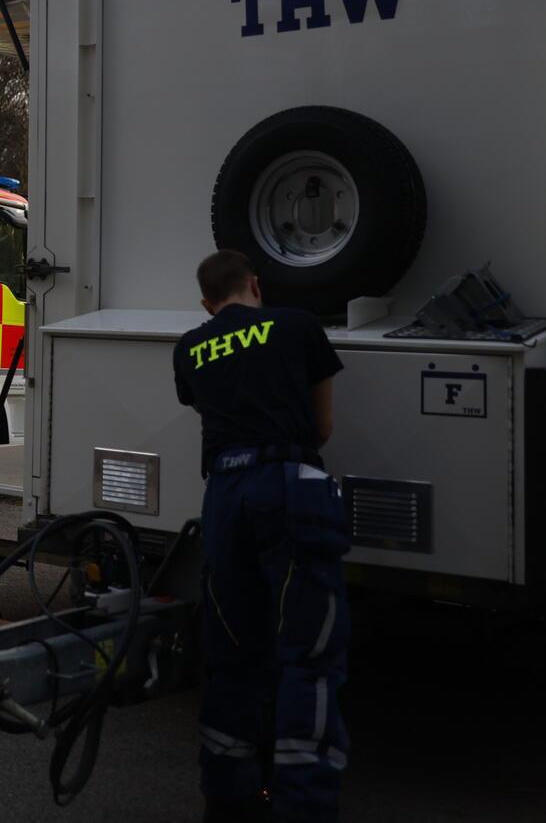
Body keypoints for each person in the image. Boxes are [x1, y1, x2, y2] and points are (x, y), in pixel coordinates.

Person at [172, 249, 349, 822]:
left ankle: (227, 798)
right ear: (255, 283)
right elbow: (321, 428)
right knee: (308, 654)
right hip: (288, 486)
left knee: (232, 654)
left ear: (206, 302)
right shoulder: (297, 325)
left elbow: (209, 410)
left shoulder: (189, 347)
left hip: (224, 494)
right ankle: (303, 806)